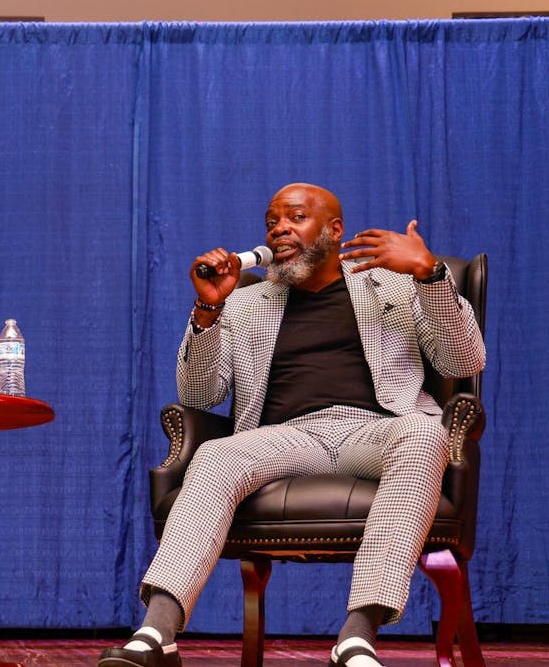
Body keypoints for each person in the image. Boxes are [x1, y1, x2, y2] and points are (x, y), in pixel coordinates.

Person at [100, 183, 485, 667]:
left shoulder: (395, 283)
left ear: (334, 230)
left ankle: (357, 635)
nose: (279, 228)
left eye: (296, 217)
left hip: (377, 428)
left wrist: (429, 275)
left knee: (425, 432)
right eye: (271, 221)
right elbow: (199, 397)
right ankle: (158, 632)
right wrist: (209, 309)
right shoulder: (244, 301)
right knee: (215, 453)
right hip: (286, 437)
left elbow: (464, 360)